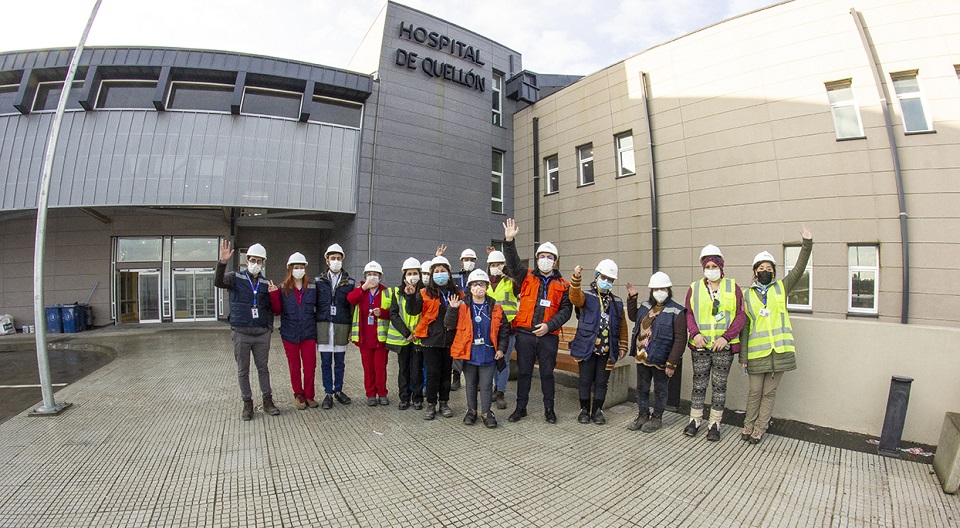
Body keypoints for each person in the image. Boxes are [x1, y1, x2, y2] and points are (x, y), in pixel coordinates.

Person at [739, 225, 813, 444]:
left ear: (774, 271)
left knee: (769, 394)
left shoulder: (781, 287)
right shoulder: (746, 295)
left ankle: (760, 428)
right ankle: (748, 424)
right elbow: (744, 329)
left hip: (780, 353)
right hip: (756, 355)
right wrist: (743, 358)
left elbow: (799, 269)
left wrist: (807, 243)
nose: (765, 270)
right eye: (761, 267)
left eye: (769, 267)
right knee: (754, 393)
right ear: (755, 271)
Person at [502, 218, 572, 424]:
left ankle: (549, 409)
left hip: (548, 337)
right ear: (536, 258)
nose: (545, 259)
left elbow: (566, 311)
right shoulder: (526, 276)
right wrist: (508, 241)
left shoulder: (564, 284)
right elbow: (513, 263)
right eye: (542, 256)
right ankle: (520, 408)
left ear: (555, 260)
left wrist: (549, 326)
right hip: (525, 335)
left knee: (547, 374)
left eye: (549, 257)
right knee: (524, 373)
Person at [684, 244, 746, 441]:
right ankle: (695, 420)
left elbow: (741, 316)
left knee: (719, 386)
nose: (711, 269)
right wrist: (694, 334)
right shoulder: (694, 288)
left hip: (723, 348)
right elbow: (689, 314)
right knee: (699, 384)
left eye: (714, 266)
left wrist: (725, 337)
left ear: (721, 267)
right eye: (707, 266)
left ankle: (715, 423)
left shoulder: (733, 287)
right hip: (700, 346)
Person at [214, 241, 279, 420]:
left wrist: (268, 329)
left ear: (263, 263)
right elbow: (218, 282)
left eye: (259, 261)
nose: (255, 264)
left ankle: (268, 401)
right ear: (246, 260)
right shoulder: (235, 278)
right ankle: (247, 404)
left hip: (261, 333)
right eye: (252, 260)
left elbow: (272, 308)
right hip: (241, 332)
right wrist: (222, 262)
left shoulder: (267, 284)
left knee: (263, 368)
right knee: (243, 370)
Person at [446, 269, 510, 428]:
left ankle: (487, 412)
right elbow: (448, 325)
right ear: (470, 287)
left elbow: (504, 330)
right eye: (475, 284)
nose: (478, 287)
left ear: (487, 286)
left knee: (487, 384)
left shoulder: (496, 307)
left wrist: (501, 349)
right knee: (471, 384)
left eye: (481, 284)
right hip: (468, 353)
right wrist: (452, 309)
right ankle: (471, 411)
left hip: (488, 353)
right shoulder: (461, 306)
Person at [569, 260, 628, 425]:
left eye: (610, 279)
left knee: (602, 381)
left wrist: (623, 345)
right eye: (604, 277)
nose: (607, 281)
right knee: (585, 380)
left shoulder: (616, 301)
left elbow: (622, 325)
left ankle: (597, 410)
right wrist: (576, 278)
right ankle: (584, 410)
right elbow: (574, 297)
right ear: (596, 277)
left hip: (607, 350)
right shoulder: (586, 296)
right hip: (587, 347)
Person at [403, 256, 463, 420]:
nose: (440, 274)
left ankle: (444, 403)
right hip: (430, 340)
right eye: (436, 271)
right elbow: (413, 311)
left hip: (449, 340)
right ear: (431, 275)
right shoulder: (423, 292)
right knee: (433, 373)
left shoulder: (457, 292)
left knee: (446, 374)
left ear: (449, 273)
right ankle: (431, 404)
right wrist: (409, 296)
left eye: (442, 271)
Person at [626, 271, 686, 433]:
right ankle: (642, 415)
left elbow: (680, 340)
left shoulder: (677, 311)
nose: (660, 292)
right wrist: (632, 298)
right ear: (651, 291)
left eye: (664, 289)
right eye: (656, 289)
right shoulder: (646, 306)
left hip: (662, 359)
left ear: (669, 290)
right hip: (642, 355)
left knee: (660, 390)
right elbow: (633, 316)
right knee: (642, 388)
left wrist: (672, 363)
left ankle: (657, 418)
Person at [268, 252, 319, 410]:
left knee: (310, 366)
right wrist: (273, 295)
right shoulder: (282, 288)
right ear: (290, 269)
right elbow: (277, 311)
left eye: (301, 267)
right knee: (294, 366)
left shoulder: (312, 287)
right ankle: (299, 395)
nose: (299, 269)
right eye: (296, 267)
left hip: (308, 332)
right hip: (290, 334)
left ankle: (310, 395)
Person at [315, 243, 355, 409]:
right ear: (327, 260)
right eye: (333, 258)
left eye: (339, 258)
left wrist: (352, 329)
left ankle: (338, 390)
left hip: (341, 325)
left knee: (340, 362)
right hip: (324, 325)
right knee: (325, 362)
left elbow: (353, 308)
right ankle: (328, 392)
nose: (336, 261)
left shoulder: (350, 282)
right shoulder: (318, 281)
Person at [347, 261, 392, 406]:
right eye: (369, 274)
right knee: (368, 368)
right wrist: (364, 287)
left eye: (375, 275)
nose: (372, 277)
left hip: (380, 338)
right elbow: (350, 299)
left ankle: (382, 393)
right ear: (365, 276)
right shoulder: (361, 290)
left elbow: (393, 312)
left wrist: (383, 313)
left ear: (380, 276)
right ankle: (370, 394)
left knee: (380, 367)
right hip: (364, 337)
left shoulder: (386, 291)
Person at [386, 257, 424, 410]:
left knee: (417, 370)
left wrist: (417, 333)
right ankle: (404, 398)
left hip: (418, 338)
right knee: (403, 370)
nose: (412, 276)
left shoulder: (424, 292)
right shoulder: (397, 292)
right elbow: (393, 314)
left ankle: (417, 398)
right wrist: (406, 333)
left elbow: (426, 314)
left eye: (415, 273)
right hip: (404, 338)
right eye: (409, 273)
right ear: (404, 275)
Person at [486, 249, 519, 410]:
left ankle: (501, 392)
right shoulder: (485, 283)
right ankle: (495, 387)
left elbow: (520, 286)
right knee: (493, 359)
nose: (495, 267)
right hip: (491, 329)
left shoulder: (511, 282)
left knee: (503, 360)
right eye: (492, 264)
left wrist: (509, 273)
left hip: (509, 328)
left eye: (498, 264)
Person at [451, 247, 478, 391]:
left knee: (476, 348)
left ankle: (477, 380)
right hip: (459, 317)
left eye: (471, 260)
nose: (469, 262)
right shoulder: (454, 277)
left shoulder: (480, 276)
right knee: (458, 349)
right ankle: (456, 378)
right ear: (461, 261)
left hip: (475, 317)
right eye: (466, 259)